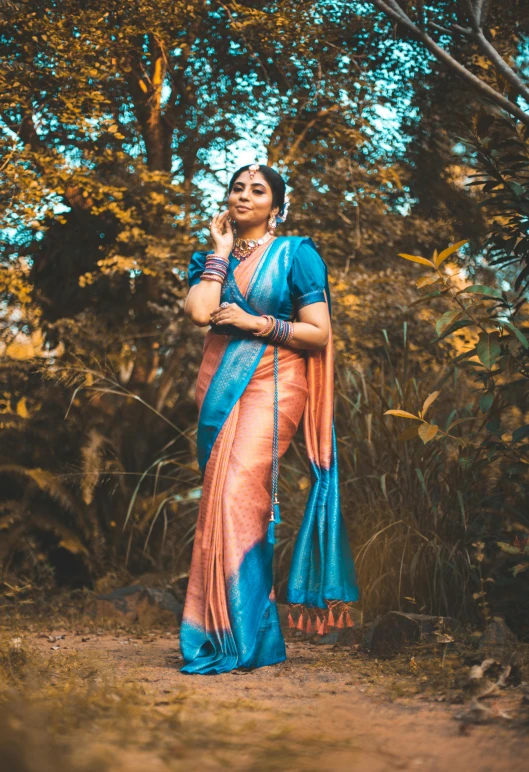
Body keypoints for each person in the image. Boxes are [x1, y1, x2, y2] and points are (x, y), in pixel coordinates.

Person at [180, 163, 359, 675]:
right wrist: (218, 253)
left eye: (258, 190)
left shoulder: (296, 255)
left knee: (240, 491)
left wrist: (255, 324)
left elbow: (318, 333)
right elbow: (199, 312)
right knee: (219, 499)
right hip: (219, 388)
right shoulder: (206, 258)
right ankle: (216, 630)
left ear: (276, 207)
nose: (244, 195)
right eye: (237, 187)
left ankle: (250, 636)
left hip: (275, 385)